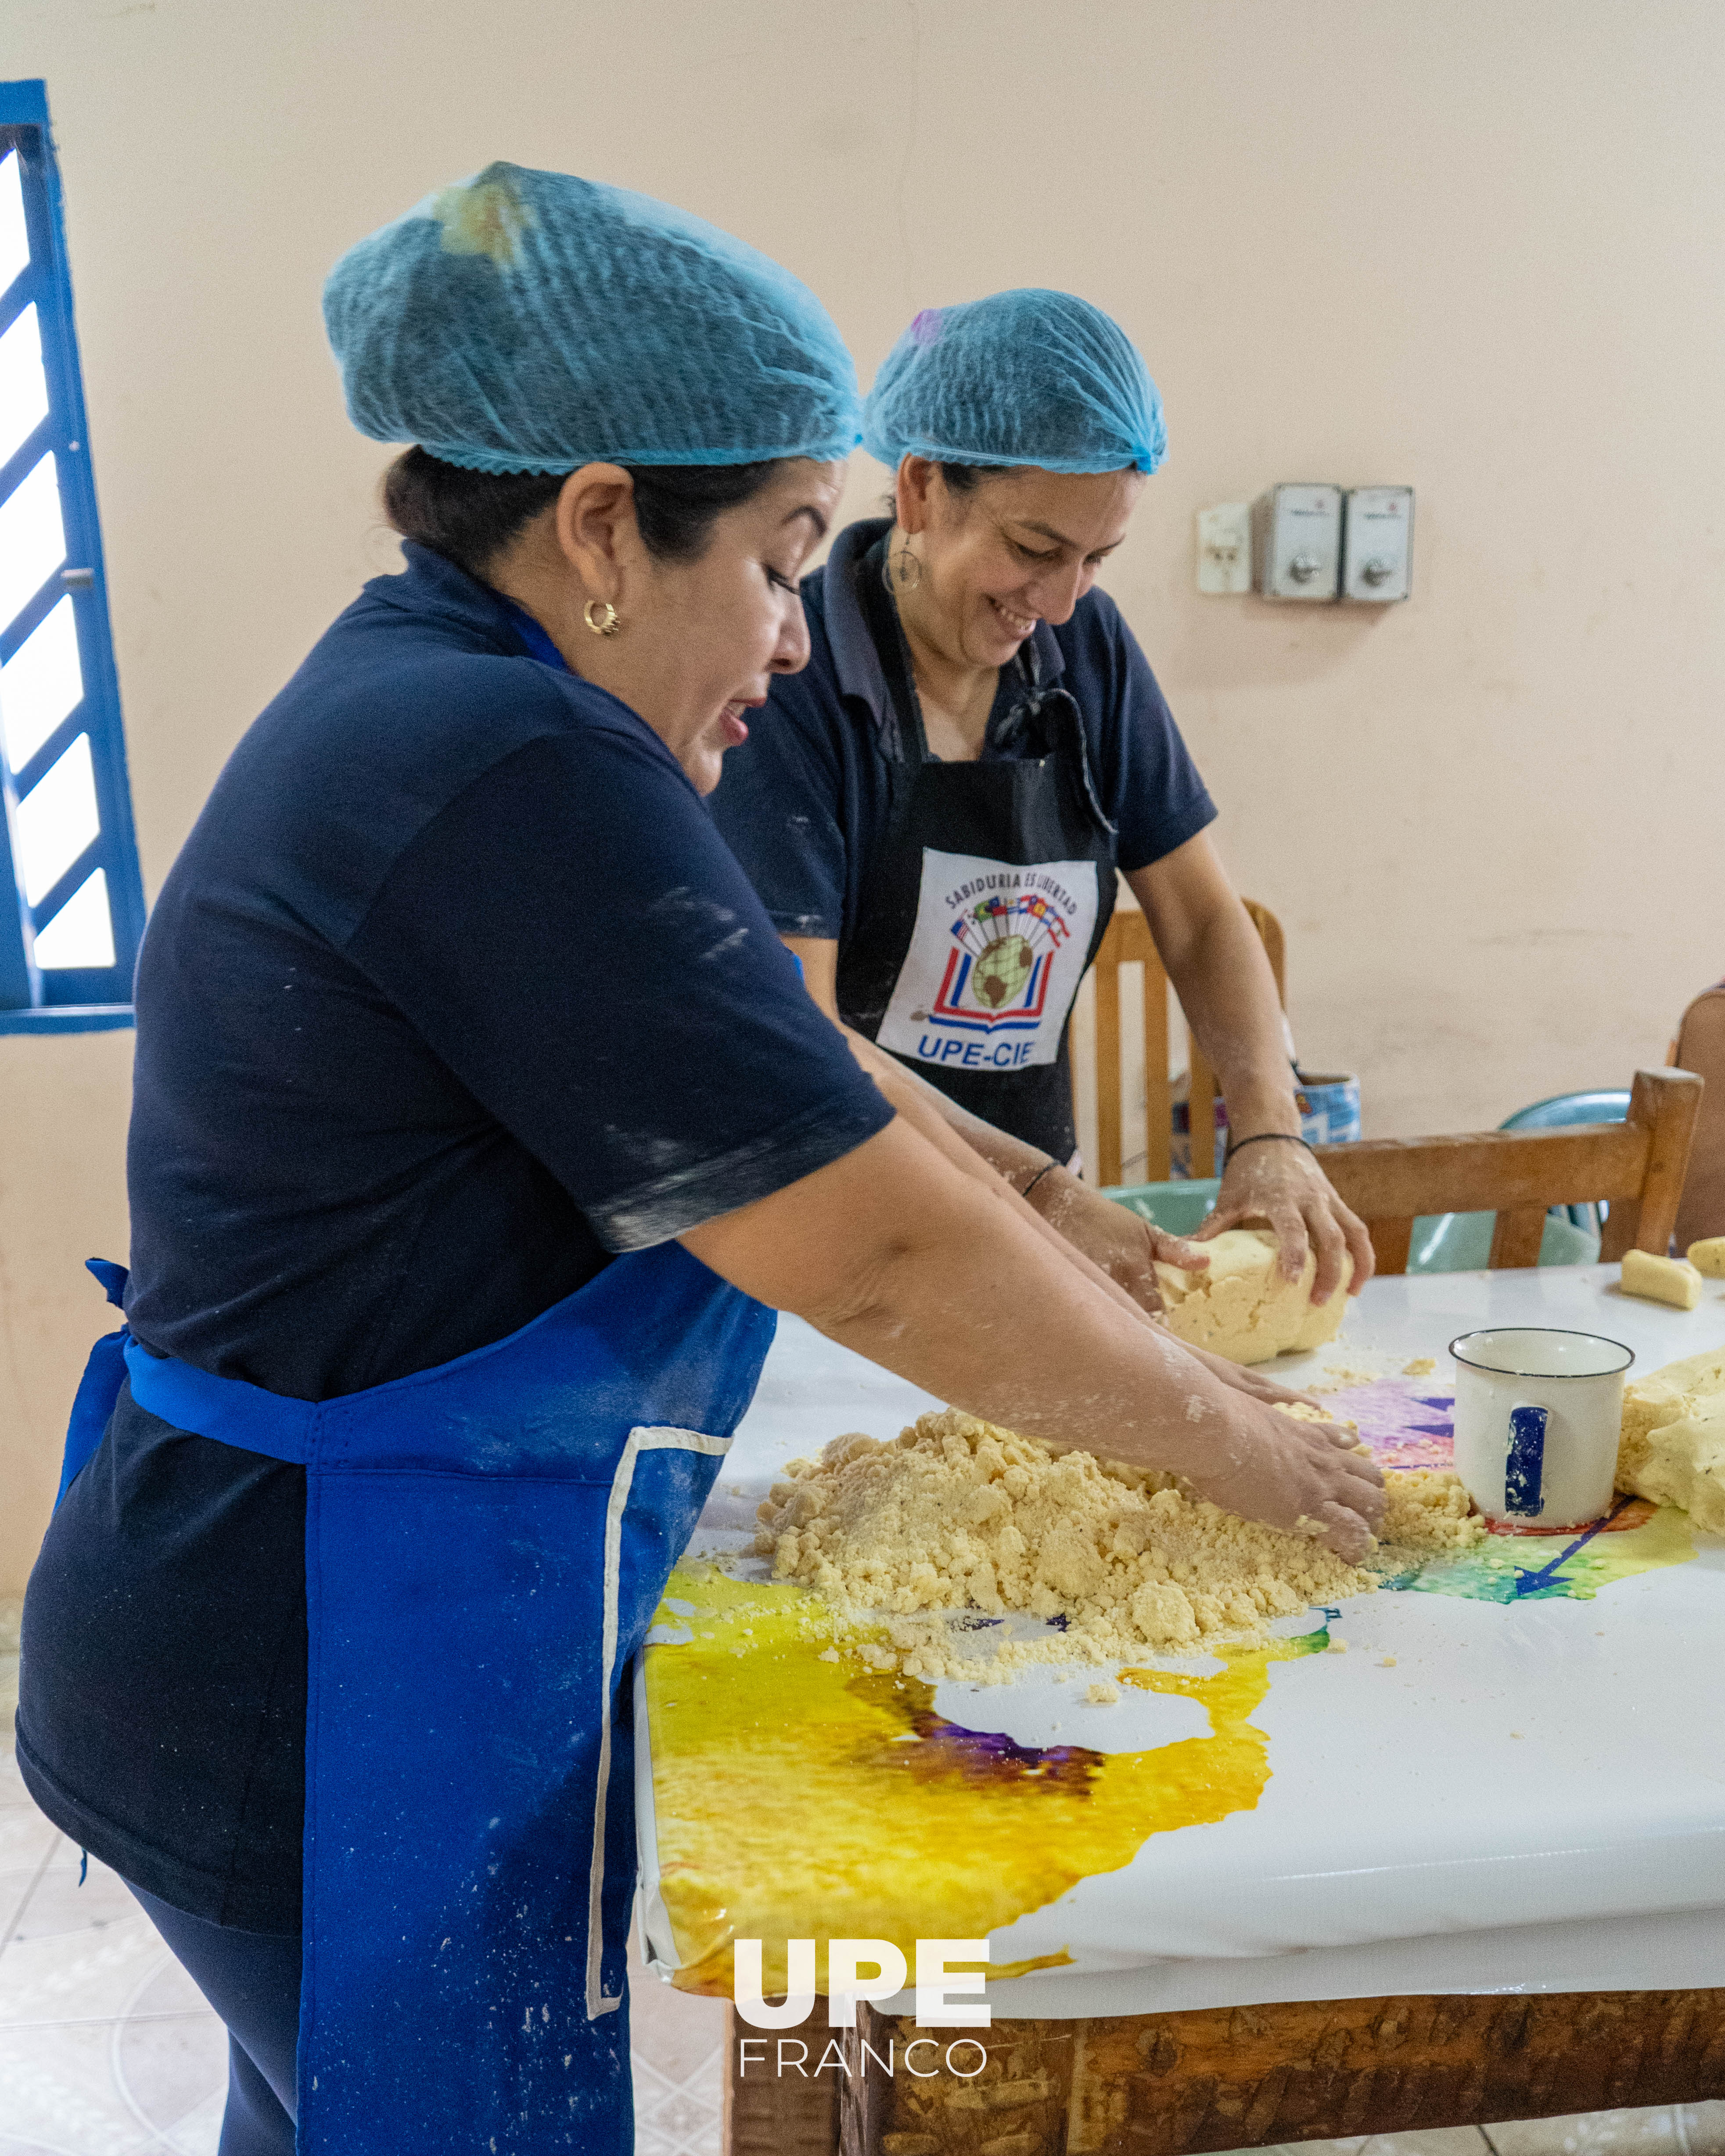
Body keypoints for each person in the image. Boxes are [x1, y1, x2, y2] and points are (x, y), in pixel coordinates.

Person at [16, 171, 1381, 2156]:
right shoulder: (519, 770)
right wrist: (1237, 1447)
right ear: (593, 527)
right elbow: (872, 1253)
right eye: (772, 556)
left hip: (307, 1605)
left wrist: (1050, 1197)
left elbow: (792, 1065)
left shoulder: (453, 698)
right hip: (314, 1665)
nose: (781, 633)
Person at [709, 287, 1373, 1305]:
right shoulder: (791, 678)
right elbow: (804, 1035)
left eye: (1097, 559)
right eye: (1034, 549)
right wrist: (1041, 1200)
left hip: (1033, 1212)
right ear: (923, 487)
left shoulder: (1084, 649)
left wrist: (1271, 1131)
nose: (1060, 601)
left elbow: (1199, 919)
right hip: (840, 1232)